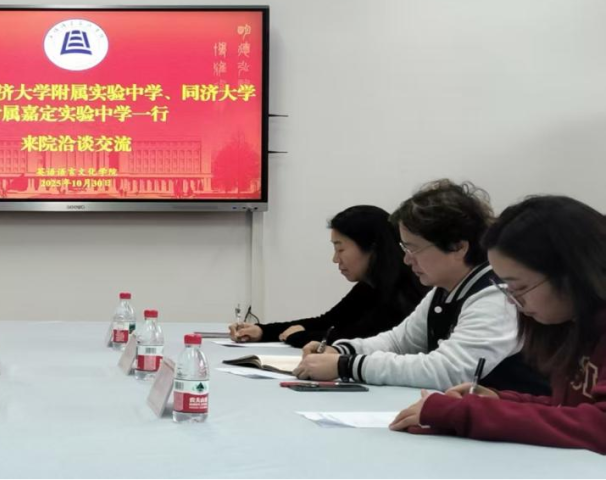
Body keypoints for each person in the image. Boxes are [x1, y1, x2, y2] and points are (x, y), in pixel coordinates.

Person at [391, 195, 606, 453]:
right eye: (507, 288)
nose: (513, 301)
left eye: (520, 287)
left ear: (573, 273)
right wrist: (499, 400)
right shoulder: (572, 325)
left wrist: (467, 414)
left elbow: (599, 426)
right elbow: (567, 409)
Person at [293, 180, 548, 394]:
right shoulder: (444, 290)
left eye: (413, 248)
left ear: (458, 246)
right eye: (404, 248)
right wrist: (341, 349)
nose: (406, 260)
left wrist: (346, 365)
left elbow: (448, 371)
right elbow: (398, 341)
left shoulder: (495, 295)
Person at [229, 205, 427, 347]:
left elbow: (354, 337)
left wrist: (297, 336)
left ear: (372, 248)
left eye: (340, 249)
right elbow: (327, 322)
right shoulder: (369, 287)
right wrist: (262, 331)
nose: (335, 259)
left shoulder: (403, 294)